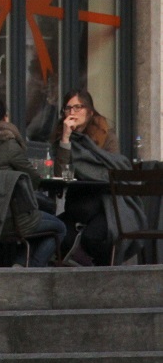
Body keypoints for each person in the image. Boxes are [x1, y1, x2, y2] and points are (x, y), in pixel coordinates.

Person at [0, 98, 66, 267]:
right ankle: (29, 270)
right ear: (5, 118)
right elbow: (33, 180)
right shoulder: (9, 145)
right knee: (60, 228)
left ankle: (19, 264)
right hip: (12, 221)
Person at [50, 89, 121, 265]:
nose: (72, 112)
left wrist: (87, 169)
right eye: (68, 108)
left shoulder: (106, 135)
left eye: (78, 107)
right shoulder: (62, 136)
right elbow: (60, 174)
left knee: (95, 237)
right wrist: (66, 139)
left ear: (89, 111)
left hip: (104, 204)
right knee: (60, 235)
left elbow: (113, 168)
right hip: (77, 202)